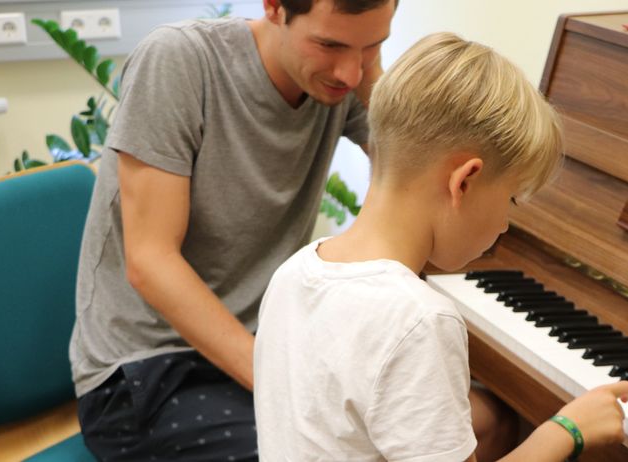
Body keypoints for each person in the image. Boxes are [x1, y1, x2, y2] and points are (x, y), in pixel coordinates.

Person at [254, 32, 628, 461]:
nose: (506, 225)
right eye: (510, 200)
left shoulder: (295, 271)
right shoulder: (417, 320)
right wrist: (567, 429)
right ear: (464, 181)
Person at [68, 0, 395, 459]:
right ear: (275, 7)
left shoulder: (342, 81)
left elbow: (410, 178)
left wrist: (374, 72)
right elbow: (150, 262)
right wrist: (285, 389)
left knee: (461, 422)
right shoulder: (180, 60)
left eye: (371, 46)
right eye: (330, 44)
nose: (349, 74)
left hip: (264, 344)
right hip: (145, 368)